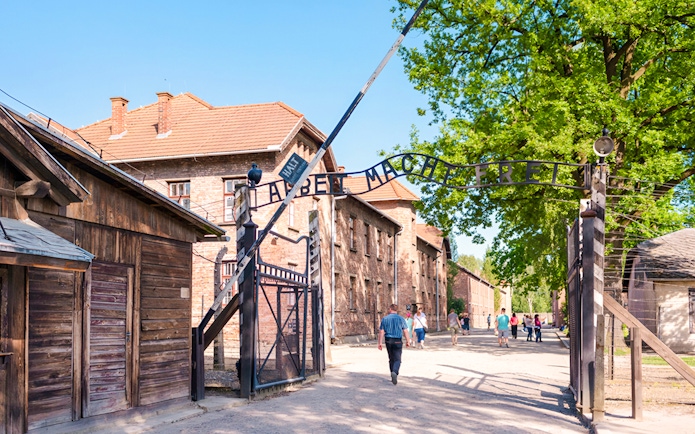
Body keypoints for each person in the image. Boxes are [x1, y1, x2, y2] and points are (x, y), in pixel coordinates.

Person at [377, 304, 410, 385]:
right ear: (396, 310)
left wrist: (380, 343)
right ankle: (395, 372)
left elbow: (381, 331)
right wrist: (408, 341)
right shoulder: (401, 319)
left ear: (390, 309)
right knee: (397, 359)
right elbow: (405, 330)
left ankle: (392, 374)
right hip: (398, 340)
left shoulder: (385, 319)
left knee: (391, 358)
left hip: (388, 340)